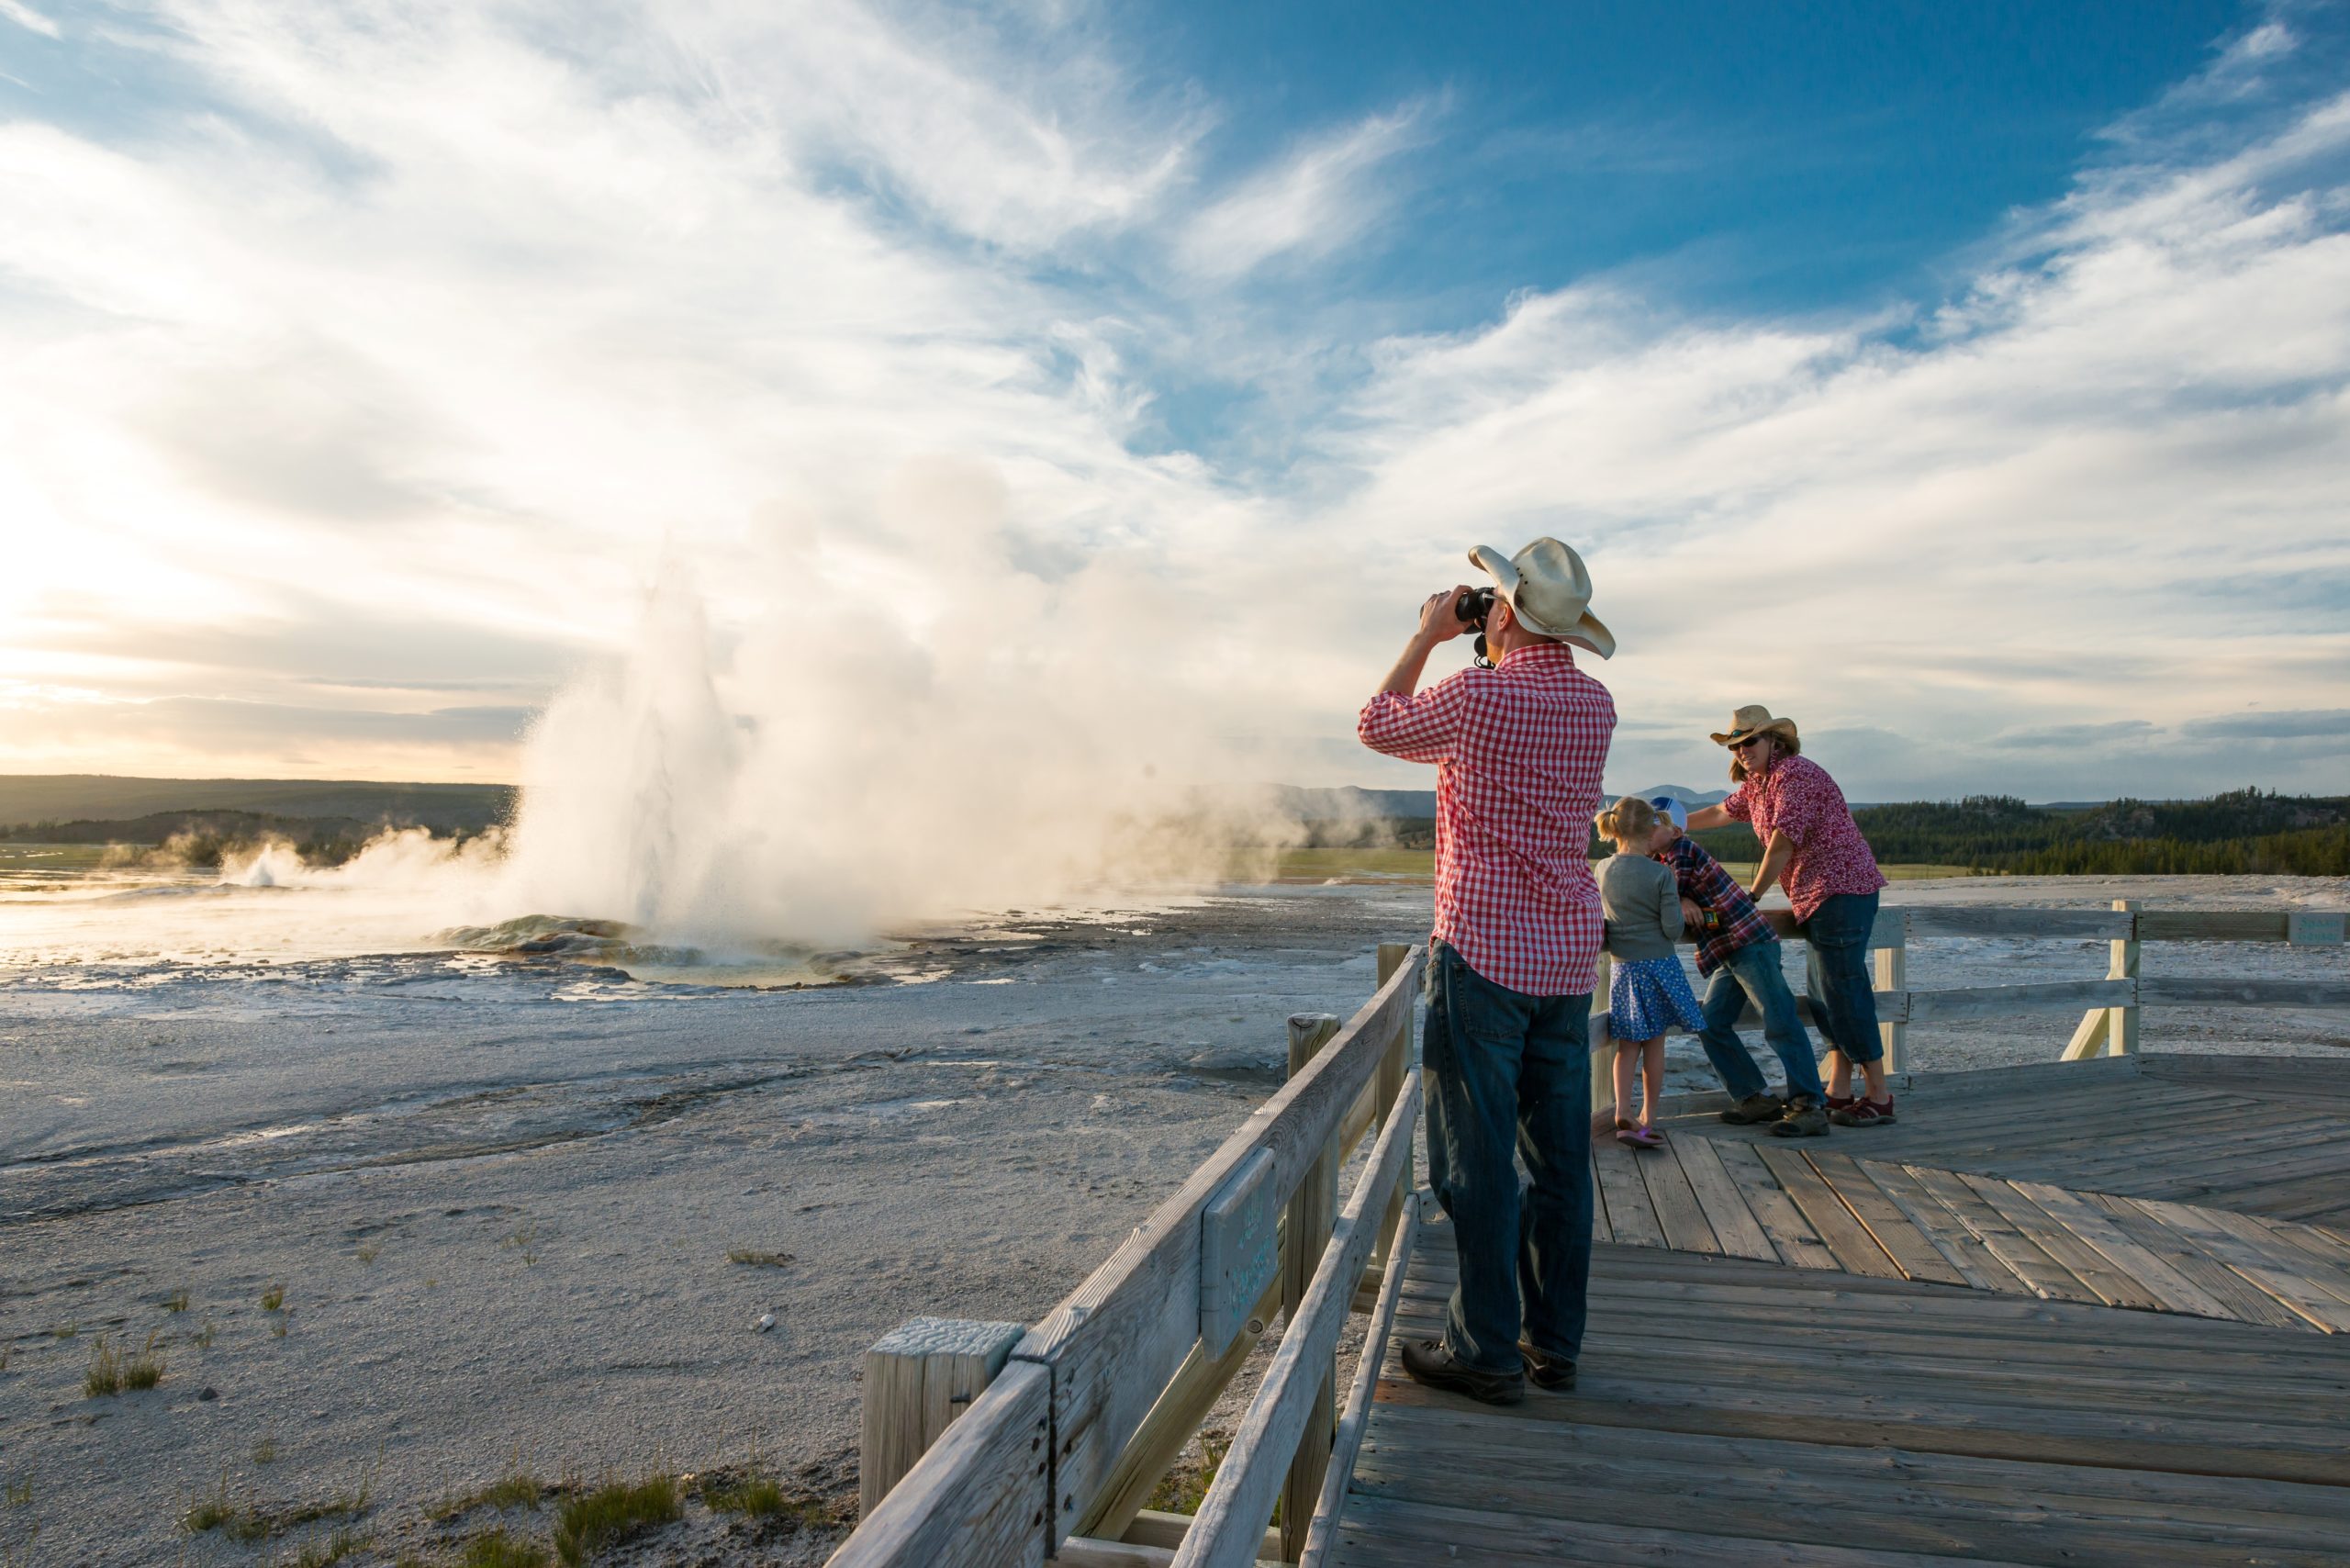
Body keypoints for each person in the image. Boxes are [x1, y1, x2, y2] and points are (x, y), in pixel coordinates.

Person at [1359, 537, 1616, 1405]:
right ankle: (1556, 1343)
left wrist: (1429, 634)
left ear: (1502, 612)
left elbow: (1377, 725)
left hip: (1484, 950)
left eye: (1489, 601)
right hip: (1567, 953)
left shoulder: (1475, 693)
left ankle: (1486, 1348)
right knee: (1558, 1161)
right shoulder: (1598, 705)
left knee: (1477, 1159)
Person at [1686, 707, 1896, 1126]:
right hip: (1814, 898)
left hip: (1841, 891)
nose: (1743, 751)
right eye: (1736, 745)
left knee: (1845, 992)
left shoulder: (1794, 776)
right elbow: (1720, 813)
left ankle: (1879, 1093)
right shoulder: (1759, 784)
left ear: (1774, 742)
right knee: (1822, 994)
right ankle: (1837, 1089)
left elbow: (1781, 844)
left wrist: (1753, 895)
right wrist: (1672, 826)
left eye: (1750, 742)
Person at [1643, 794, 1832, 1137]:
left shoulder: (1680, 852)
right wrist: (1685, 899)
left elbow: (1662, 900)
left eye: (1656, 823)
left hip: (1749, 945)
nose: (1647, 828)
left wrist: (1681, 898)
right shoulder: (1666, 858)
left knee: (1779, 1019)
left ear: (1675, 831)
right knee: (1711, 1023)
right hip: (1728, 948)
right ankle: (1754, 1096)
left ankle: (1810, 1105)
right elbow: (1685, 901)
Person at [1595, 796, 1704, 1150]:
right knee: (1655, 1045)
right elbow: (1673, 929)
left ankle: (1621, 1111)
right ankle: (1648, 1117)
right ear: (1650, 829)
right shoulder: (1660, 873)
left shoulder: (1602, 869)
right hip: (1659, 967)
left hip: (1624, 968)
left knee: (1627, 1047)